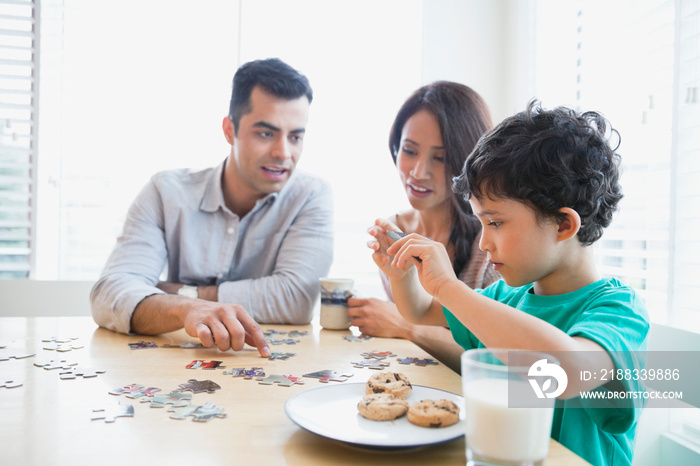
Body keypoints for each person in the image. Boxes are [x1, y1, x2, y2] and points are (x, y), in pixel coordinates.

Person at [369, 101, 649, 466]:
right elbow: (421, 310)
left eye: (496, 223)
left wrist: (450, 287)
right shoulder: (505, 297)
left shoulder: (619, 311)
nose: (484, 242)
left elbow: (563, 373)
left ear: (564, 225)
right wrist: (402, 274)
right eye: (481, 224)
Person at [91, 58, 334, 358]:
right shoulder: (165, 192)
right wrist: (186, 309)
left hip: (273, 366)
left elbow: (296, 299)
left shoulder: (311, 196)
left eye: (296, 136)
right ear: (229, 130)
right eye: (266, 133)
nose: (284, 152)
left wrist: (184, 293)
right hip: (180, 369)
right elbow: (109, 294)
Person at [348, 81, 499, 372]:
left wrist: (406, 326)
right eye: (409, 150)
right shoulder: (396, 230)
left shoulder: (492, 240)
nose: (418, 172)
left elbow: (496, 357)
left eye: (440, 158)